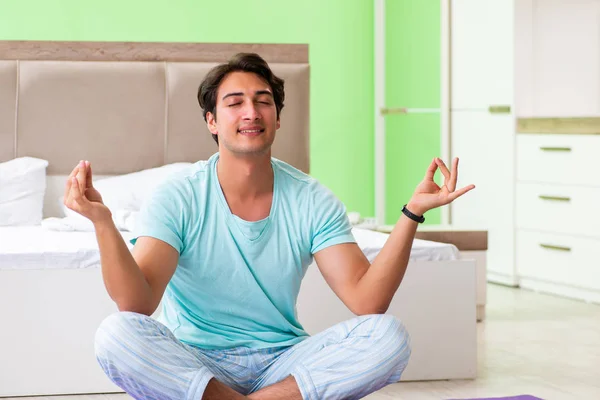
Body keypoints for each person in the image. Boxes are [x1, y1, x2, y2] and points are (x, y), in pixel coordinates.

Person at [64, 53, 474, 400]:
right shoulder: (178, 195)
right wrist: (103, 223)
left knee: (389, 337)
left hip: (283, 362)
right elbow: (138, 303)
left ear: (277, 119)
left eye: (263, 101)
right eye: (235, 102)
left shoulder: (311, 198)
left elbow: (367, 302)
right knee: (116, 335)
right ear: (211, 121)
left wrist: (411, 213)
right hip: (198, 362)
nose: (251, 112)